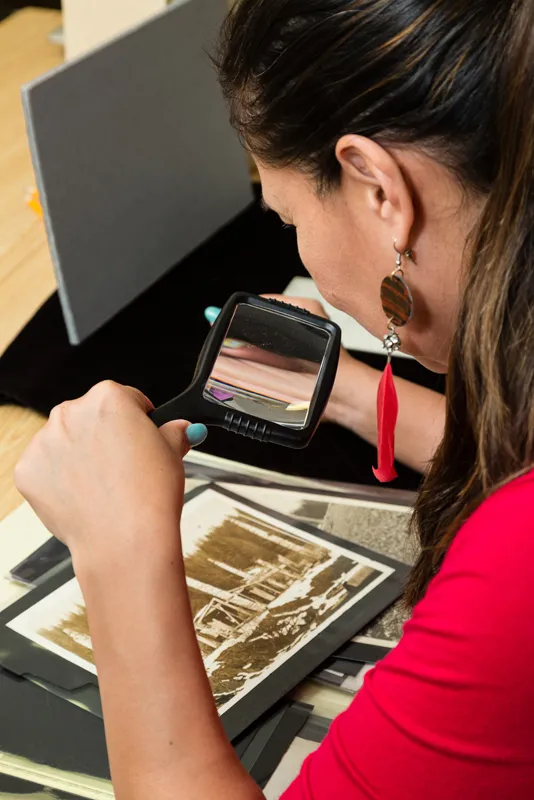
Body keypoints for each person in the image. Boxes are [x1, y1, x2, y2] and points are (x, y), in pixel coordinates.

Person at [13, 0, 534, 797]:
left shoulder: (513, 576)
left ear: (378, 190)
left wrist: (118, 551)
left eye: (287, 215)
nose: (299, 247)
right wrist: (352, 394)